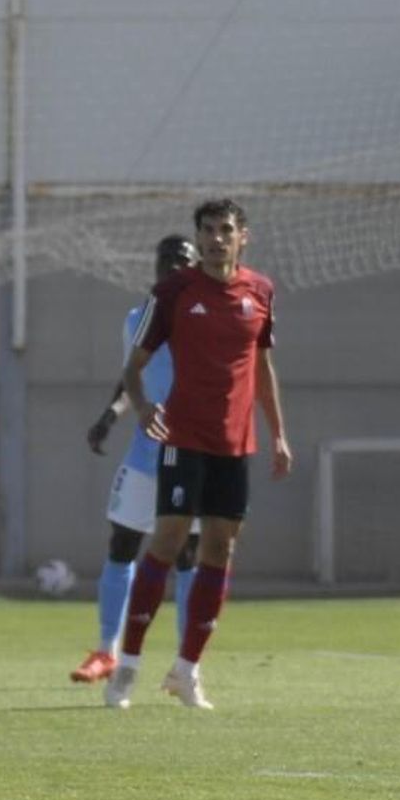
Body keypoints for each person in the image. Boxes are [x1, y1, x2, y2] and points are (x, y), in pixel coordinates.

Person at [104, 199, 292, 710]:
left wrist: (278, 434)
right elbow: (133, 367)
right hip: (181, 438)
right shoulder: (173, 292)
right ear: (199, 236)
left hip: (235, 443)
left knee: (219, 549)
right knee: (166, 541)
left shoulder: (260, 291)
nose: (215, 238)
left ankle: (187, 670)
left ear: (242, 237)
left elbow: (262, 369)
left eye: (225, 230)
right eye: (207, 230)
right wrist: (142, 409)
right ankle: (128, 665)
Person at [71, 236, 202, 684]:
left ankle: (187, 663)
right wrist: (109, 417)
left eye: (182, 260)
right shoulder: (137, 319)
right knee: (122, 543)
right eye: (166, 259)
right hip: (147, 454)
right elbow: (133, 377)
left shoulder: (206, 317)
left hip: (195, 454)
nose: (173, 267)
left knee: (188, 554)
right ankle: (106, 651)